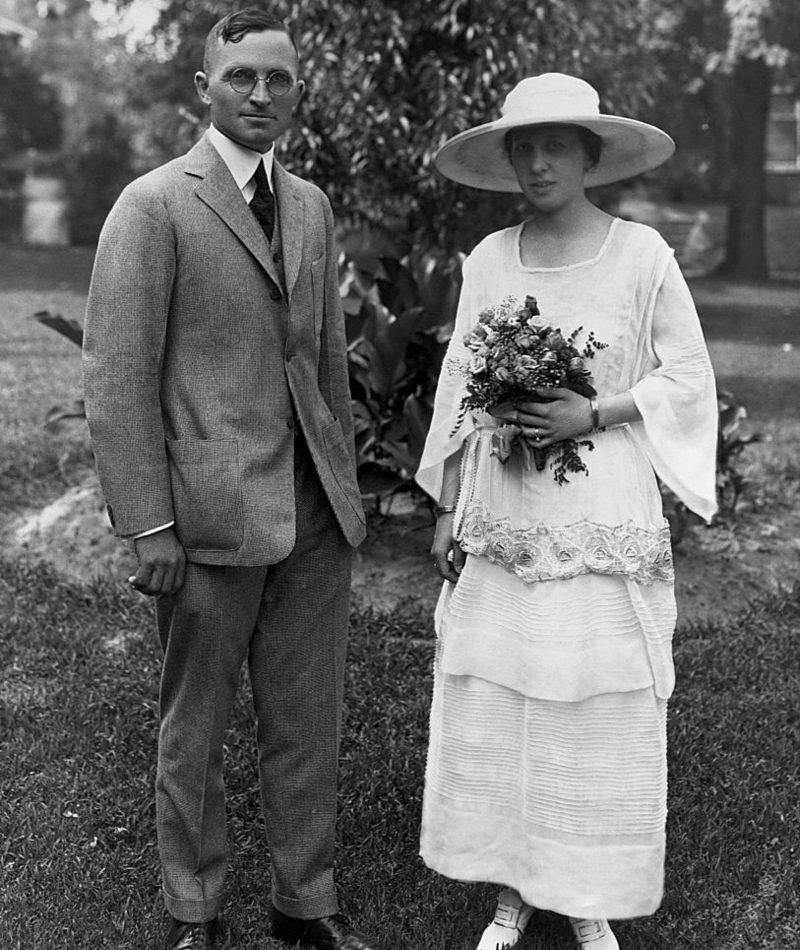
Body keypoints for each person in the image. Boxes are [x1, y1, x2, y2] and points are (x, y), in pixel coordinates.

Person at [82, 8, 377, 950]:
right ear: (201, 90)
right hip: (208, 514)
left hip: (311, 509)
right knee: (195, 725)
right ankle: (196, 911)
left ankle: (305, 903)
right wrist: (147, 525)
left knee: (307, 720)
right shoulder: (156, 204)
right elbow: (118, 376)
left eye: (278, 79)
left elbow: (326, 363)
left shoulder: (311, 206)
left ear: (298, 92)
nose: (260, 94)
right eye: (241, 76)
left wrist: (343, 485)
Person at [416, 73, 718, 950]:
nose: (540, 161)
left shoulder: (642, 255)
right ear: (508, 158)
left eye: (557, 145)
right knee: (510, 693)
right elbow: (458, 394)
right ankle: (513, 891)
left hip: (599, 511)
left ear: (591, 155)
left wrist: (596, 411)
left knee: (588, 697)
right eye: (525, 146)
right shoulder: (489, 260)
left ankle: (585, 895)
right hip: (507, 507)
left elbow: (688, 373)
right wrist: (446, 509)